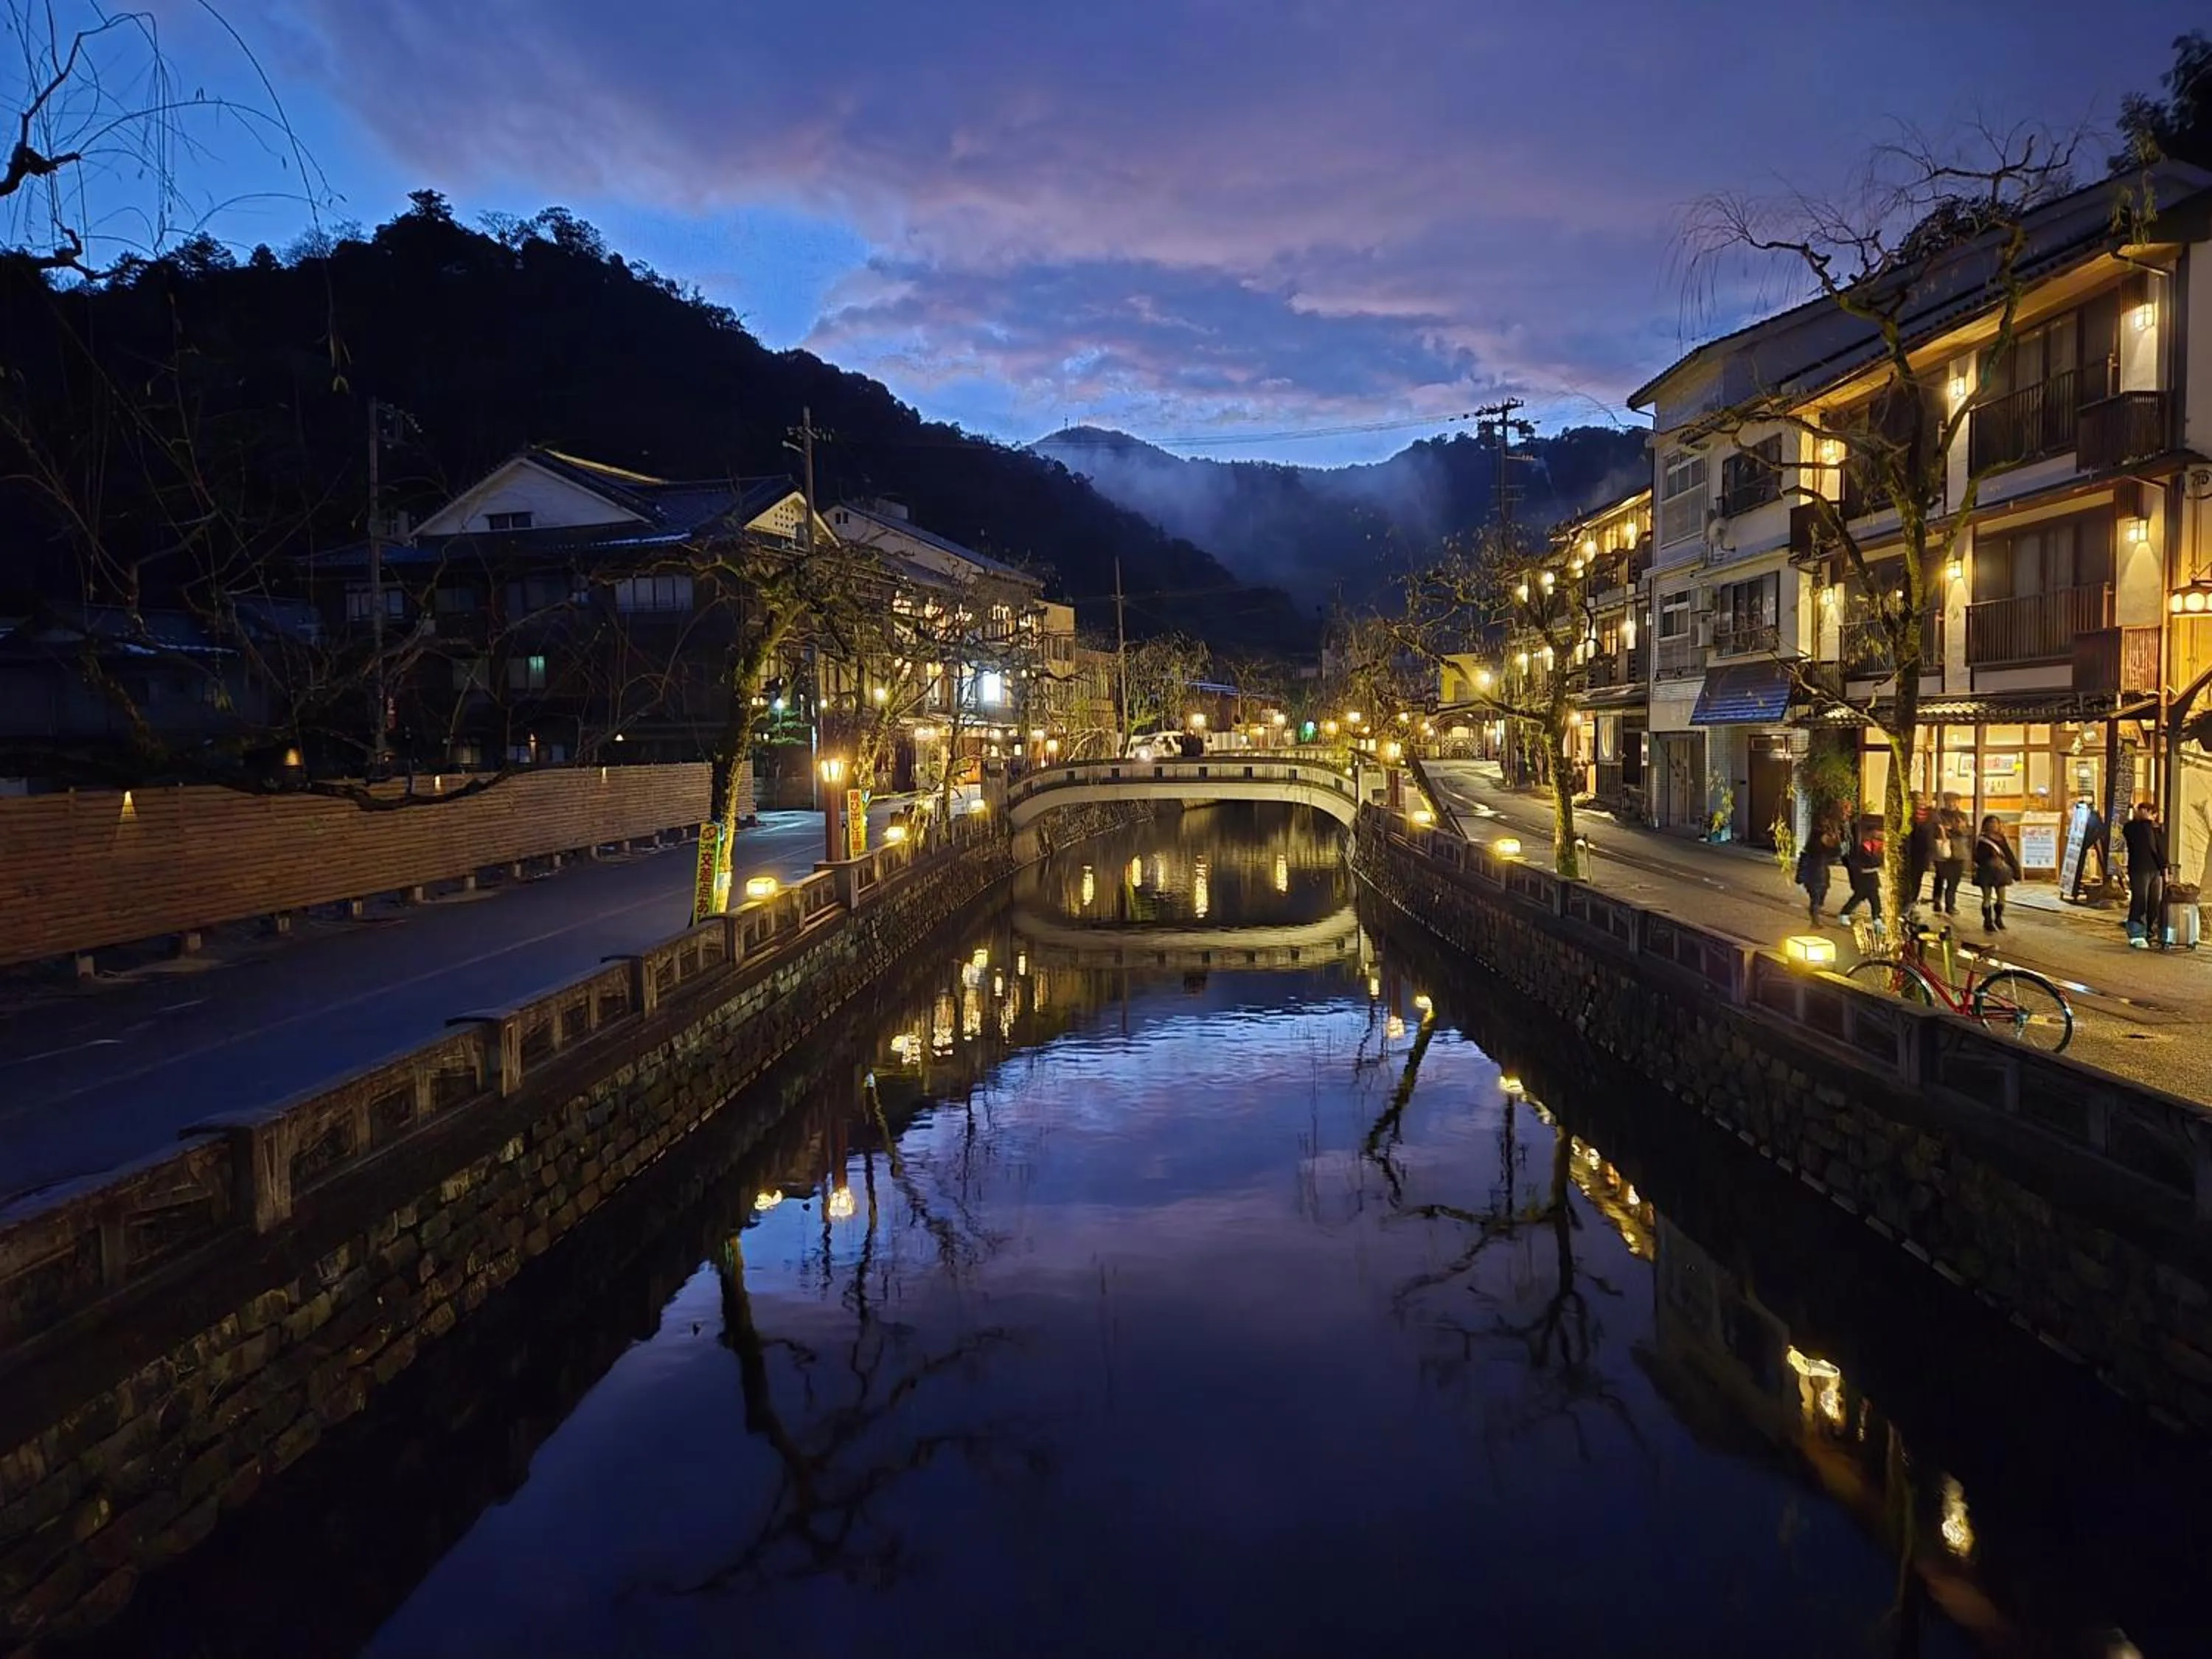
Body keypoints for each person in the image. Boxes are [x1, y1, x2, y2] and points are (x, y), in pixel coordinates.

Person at [2122, 801, 2168, 949]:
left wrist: (2165, 870)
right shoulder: (2132, 827)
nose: (2147, 815)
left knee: (2154, 901)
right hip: (2139, 868)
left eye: (2151, 813)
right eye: (2143, 810)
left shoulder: (2156, 829)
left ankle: (2150, 932)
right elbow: (2141, 837)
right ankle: (2136, 933)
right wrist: (2147, 822)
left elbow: (2160, 849)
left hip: (2155, 869)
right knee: (2140, 899)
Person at [1973, 815, 2021, 933]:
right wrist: (1990, 856)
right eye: (1991, 823)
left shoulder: (2001, 839)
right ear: (1986, 825)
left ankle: (1998, 919)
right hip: (1986, 871)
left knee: (2001, 898)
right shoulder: (1982, 839)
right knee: (1987, 897)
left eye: (1996, 823)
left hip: (2000, 871)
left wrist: (2016, 870)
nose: (1994, 825)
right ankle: (1988, 921)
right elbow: (1977, 857)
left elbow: (2009, 855)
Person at [1930, 792, 1969, 917]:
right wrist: (1949, 830)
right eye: (1949, 801)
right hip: (1942, 850)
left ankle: (1950, 905)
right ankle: (1937, 900)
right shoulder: (1938, 814)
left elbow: (1966, 831)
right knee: (1940, 876)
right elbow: (1936, 830)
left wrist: (1955, 829)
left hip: (1958, 851)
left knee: (1955, 880)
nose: (1952, 804)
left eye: (1955, 801)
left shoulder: (1963, 815)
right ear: (1945, 802)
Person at [1795, 820, 1840, 925]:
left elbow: (1836, 853)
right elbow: (1804, 861)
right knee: (1815, 896)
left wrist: (1836, 837)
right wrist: (1801, 876)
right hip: (1813, 874)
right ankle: (1815, 919)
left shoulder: (1825, 845)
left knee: (1821, 895)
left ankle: (1815, 914)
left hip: (1822, 874)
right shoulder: (1813, 846)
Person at [1839, 815, 1883, 922]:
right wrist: (1877, 863)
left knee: (1873, 900)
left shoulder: (1873, 845)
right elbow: (1866, 864)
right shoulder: (1863, 848)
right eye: (1875, 832)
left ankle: (1876, 918)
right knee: (1860, 898)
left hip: (1871, 879)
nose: (1878, 834)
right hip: (1865, 880)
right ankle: (1845, 913)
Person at [1905, 793, 1936, 911]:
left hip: (1923, 852)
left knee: (1917, 878)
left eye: (1922, 799)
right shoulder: (1907, 815)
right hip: (1909, 851)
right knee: (1908, 878)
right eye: (1917, 800)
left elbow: (1935, 830)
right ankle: (1906, 902)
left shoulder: (1931, 815)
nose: (1920, 802)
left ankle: (1912, 901)